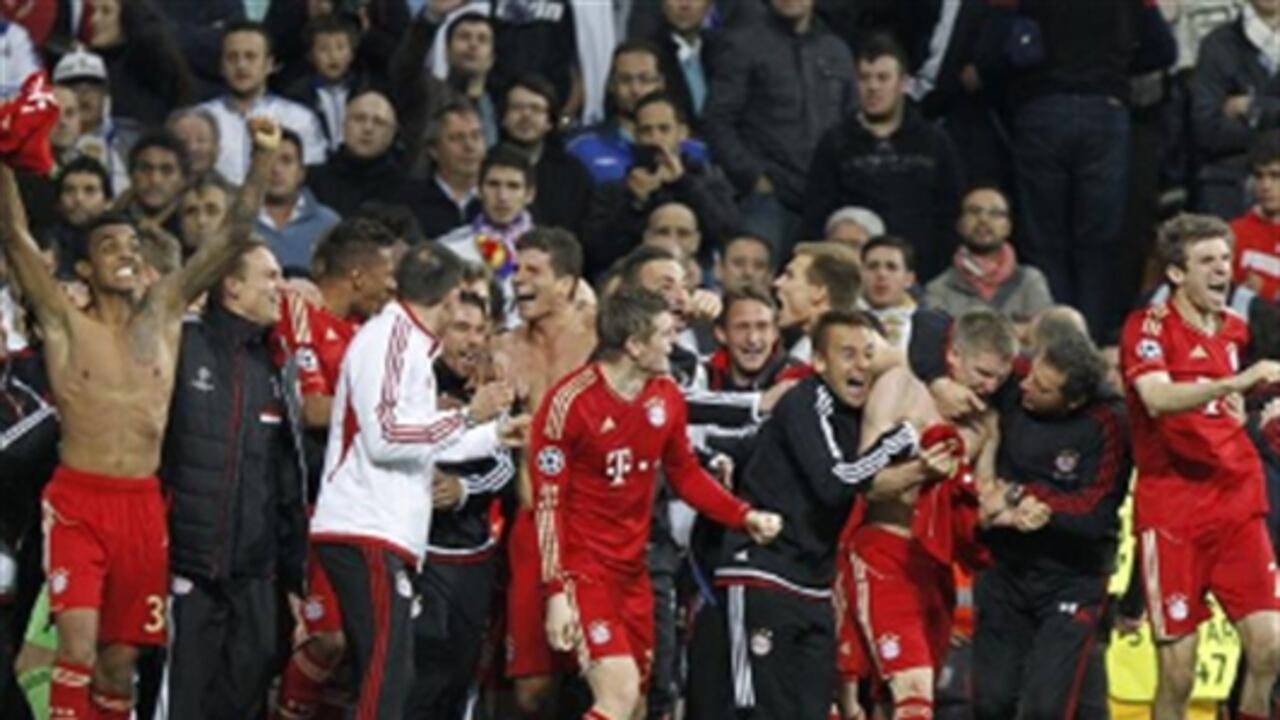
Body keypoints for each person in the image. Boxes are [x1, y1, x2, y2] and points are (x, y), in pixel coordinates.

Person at [1, 111, 282, 720]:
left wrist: (261, 158)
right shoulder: (64, 324)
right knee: (75, 650)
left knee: (119, 667)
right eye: (110, 246)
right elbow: (17, 239)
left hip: (142, 506)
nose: (126, 254)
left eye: (132, 245)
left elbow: (233, 238)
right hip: (79, 501)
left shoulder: (167, 315)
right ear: (84, 268)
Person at [531, 287, 783, 720]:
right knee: (618, 696)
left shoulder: (663, 396)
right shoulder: (569, 404)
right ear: (633, 345)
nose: (675, 344)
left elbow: (685, 474)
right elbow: (547, 504)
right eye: (666, 334)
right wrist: (557, 590)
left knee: (638, 704)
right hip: (584, 569)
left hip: (635, 570)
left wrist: (743, 515)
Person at [305, 242, 525, 718]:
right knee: (388, 672)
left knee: (392, 671)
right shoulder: (391, 341)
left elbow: (425, 442)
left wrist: (495, 434)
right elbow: (386, 438)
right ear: (447, 299)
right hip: (363, 526)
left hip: (384, 531)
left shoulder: (408, 347)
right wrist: (468, 414)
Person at [1120, 214, 1280, 720]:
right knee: (1179, 674)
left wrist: (1243, 407)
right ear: (1174, 273)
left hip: (1237, 503)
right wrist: (1230, 386)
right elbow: (1157, 397)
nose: (1222, 272)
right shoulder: (1145, 328)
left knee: (1270, 647)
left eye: (1226, 261)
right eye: (1207, 261)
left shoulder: (1233, 329)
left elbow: (1222, 401)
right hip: (1174, 517)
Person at [160, 242, 307, 719]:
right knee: (182, 701)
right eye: (268, 276)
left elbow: (287, 479)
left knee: (247, 693)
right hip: (189, 568)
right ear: (232, 286)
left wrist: (293, 573)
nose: (278, 287)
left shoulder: (277, 366)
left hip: (254, 575)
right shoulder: (182, 345)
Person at [272, 218, 399, 720]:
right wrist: (382, 417)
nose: (390, 288)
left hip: (348, 502)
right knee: (326, 638)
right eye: (385, 275)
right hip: (296, 499)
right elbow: (312, 407)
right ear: (357, 275)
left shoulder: (359, 334)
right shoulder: (300, 312)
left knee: (346, 644)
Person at [973, 330, 1131, 719]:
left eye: (1041, 388)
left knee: (1044, 709)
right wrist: (941, 383)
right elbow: (935, 332)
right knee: (991, 703)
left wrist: (1023, 497)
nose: (1025, 385)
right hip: (1006, 569)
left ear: (1073, 400)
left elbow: (1093, 512)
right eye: (1030, 375)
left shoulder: (1109, 422)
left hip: (1072, 578)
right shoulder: (1017, 376)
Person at [490, 228, 597, 719]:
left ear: (568, 283)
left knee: (611, 681)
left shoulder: (604, 342)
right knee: (533, 692)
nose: (519, 280)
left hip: (597, 530)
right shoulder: (502, 350)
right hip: (532, 529)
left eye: (534, 271)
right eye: (516, 269)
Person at [408, 291, 517, 719]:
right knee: (415, 674)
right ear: (438, 330)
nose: (471, 341)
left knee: (460, 674)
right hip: (416, 551)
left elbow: (505, 462)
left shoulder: (494, 391)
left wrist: (464, 490)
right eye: (460, 328)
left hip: (472, 554)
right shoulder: (412, 382)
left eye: (479, 331)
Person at [798, 34, 964, 280]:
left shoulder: (935, 142)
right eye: (865, 78)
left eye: (883, 78)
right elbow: (815, 217)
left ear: (903, 84)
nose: (873, 86)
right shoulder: (835, 143)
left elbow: (951, 213)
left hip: (923, 277)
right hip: (852, 278)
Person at [702, 0, 854, 253]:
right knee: (752, 279)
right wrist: (754, 177)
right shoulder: (742, 45)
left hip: (826, 198)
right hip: (767, 198)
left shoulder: (836, 50)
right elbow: (718, 120)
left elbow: (851, 122)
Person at [582, 91, 738, 277]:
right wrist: (635, 202)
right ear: (635, 136)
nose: (655, 138)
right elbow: (597, 250)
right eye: (646, 131)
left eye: (664, 129)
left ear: (682, 133)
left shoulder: (707, 178)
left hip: (699, 278)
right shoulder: (615, 189)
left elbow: (728, 234)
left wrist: (683, 182)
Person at [198, 21, 327, 185]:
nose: (241, 65)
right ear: (221, 66)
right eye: (232, 57)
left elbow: (313, 179)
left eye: (250, 56)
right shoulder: (200, 120)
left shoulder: (300, 119)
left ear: (269, 65)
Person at [924, 186, 1054, 328]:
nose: (983, 219)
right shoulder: (939, 289)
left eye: (995, 213)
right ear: (960, 225)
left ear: (1008, 227)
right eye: (974, 211)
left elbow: (1045, 339)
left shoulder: (1030, 282)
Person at [437, 143, 536, 314]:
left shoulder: (550, 254)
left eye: (513, 186)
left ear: (529, 194)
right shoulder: (448, 250)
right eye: (493, 185)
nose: (502, 197)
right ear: (479, 189)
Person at [500, 73, 593, 238]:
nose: (526, 115)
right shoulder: (486, 165)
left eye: (536, 109)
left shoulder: (572, 173)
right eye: (517, 107)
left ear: (550, 122)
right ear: (504, 118)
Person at [306, 90, 408, 219]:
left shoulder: (407, 191)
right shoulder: (312, 181)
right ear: (344, 126)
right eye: (359, 118)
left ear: (392, 134)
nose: (368, 128)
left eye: (379, 122)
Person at [254, 128, 340, 274]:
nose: (276, 170)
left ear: (301, 171)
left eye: (286, 161)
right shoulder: (236, 224)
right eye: (268, 160)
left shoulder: (328, 224)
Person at [399, 101, 485, 239]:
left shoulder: (498, 199)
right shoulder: (409, 203)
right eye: (457, 138)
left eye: (476, 136)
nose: (470, 146)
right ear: (433, 150)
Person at [772, 241, 862, 363]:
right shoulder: (803, 350)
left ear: (819, 291)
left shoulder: (852, 355)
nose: (777, 283)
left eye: (790, 276)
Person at [1229, 131, 1280, 303]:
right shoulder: (1235, 232)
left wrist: (1267, 290)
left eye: (1275, 176)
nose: (1265, 186)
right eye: (1259, 176)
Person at [859, 236, 918, 350]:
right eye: (872, 266)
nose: (881, 274)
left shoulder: (929, 325)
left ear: (909, 279)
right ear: (861, 274)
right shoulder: (842, 318)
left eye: (891, 267)